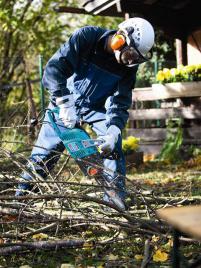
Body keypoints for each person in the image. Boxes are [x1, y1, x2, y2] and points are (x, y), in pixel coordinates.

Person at [16, 17, 155, 209]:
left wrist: (114, 129)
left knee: (112, 147)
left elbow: (120, 99)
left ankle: (114, 203)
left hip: (97, 108)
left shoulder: (128, 66)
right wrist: (64, 101)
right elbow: (54, 69)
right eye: (131, 53)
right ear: (120, 39)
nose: (131, 60)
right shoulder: (87, 37)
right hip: (65, 99)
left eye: (137, 58)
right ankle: (21, 198)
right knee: (44, 153)